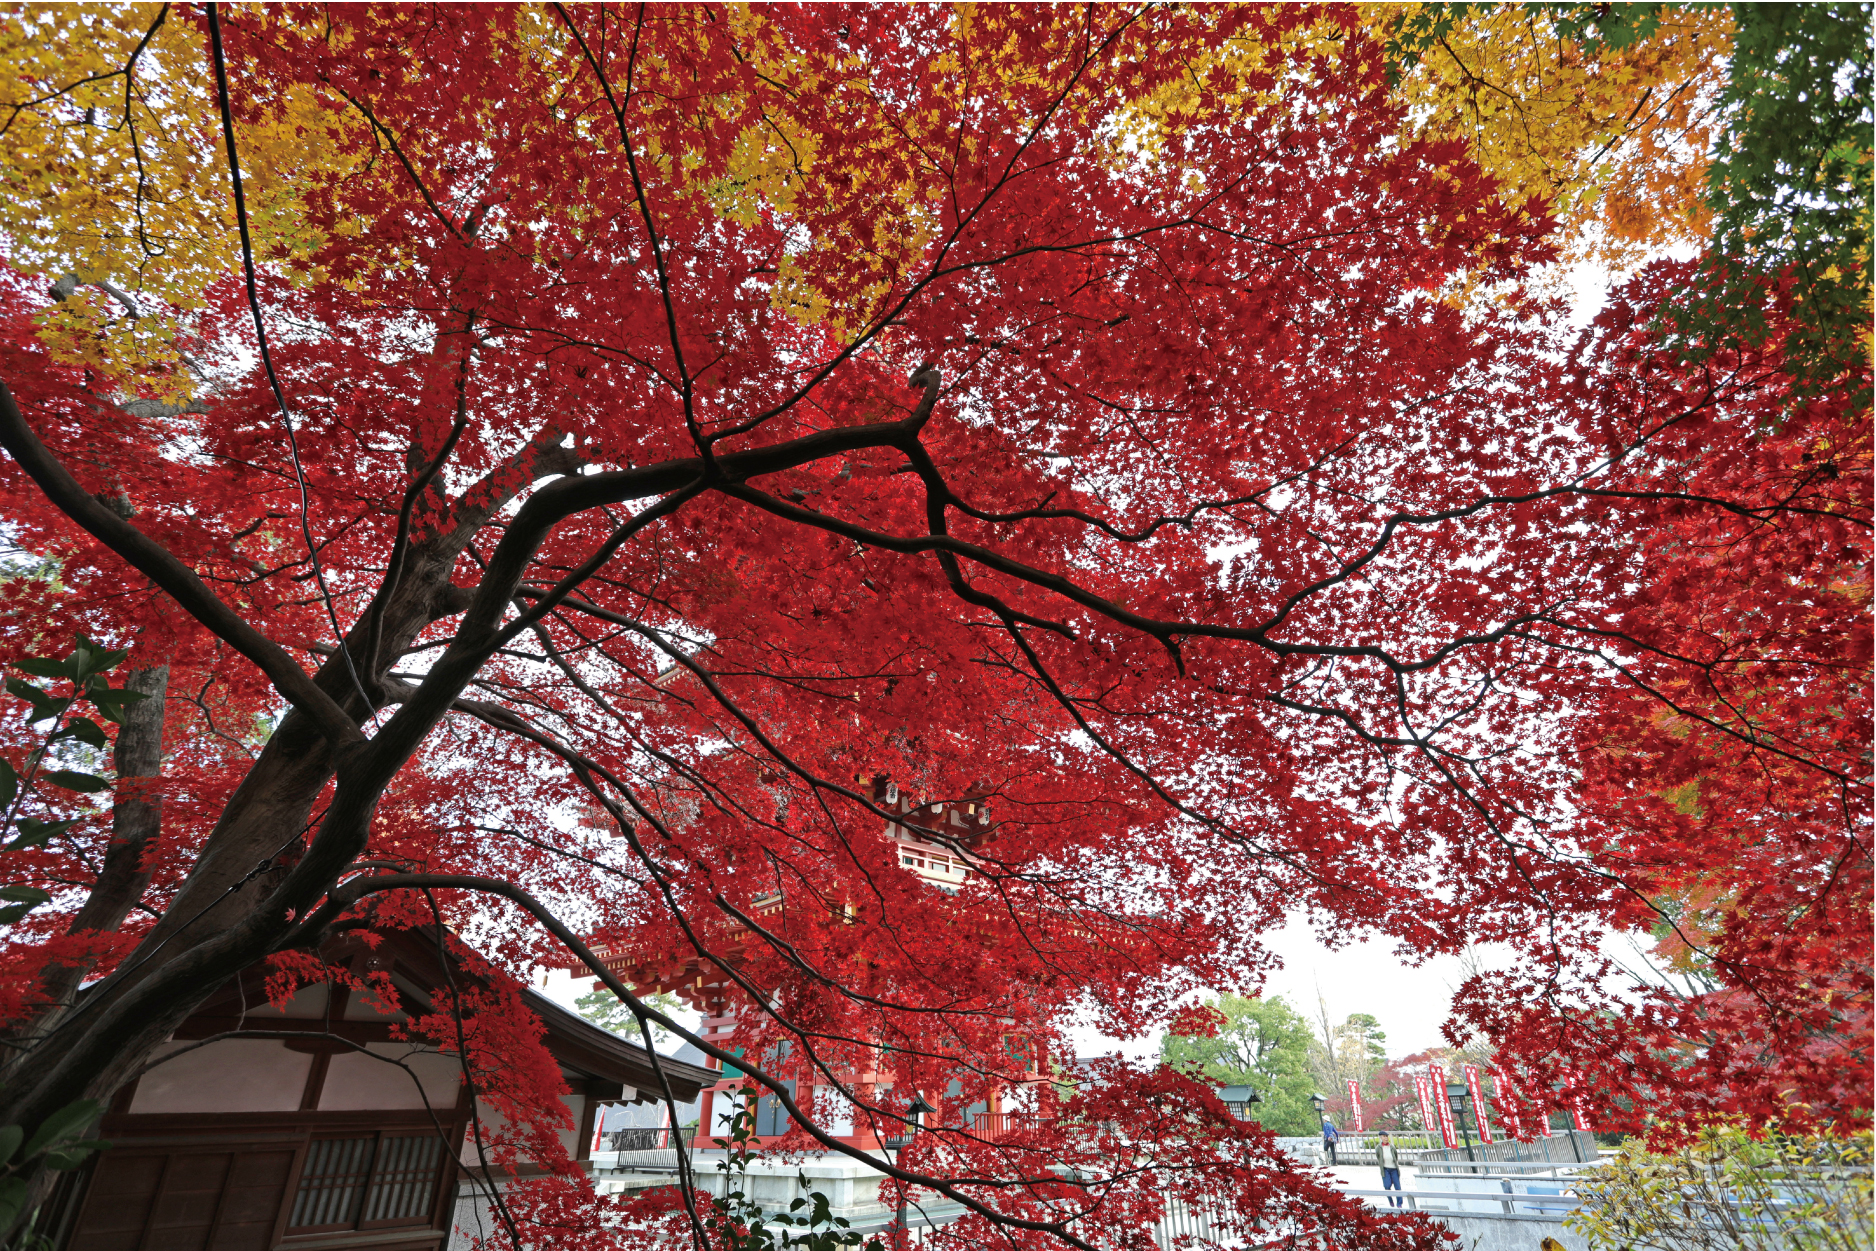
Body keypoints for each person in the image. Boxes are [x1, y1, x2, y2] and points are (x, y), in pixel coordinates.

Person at [1377, 1130, 1404, 1207]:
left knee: (1397, 1186)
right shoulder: (1378, 1148)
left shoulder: (1392, 1147)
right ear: (1381, 1137)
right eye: (1384, 1136)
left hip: (1394, 1168)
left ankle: (1399, 1203)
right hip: (1385, 1169)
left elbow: (1395, 1156)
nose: (1386, 1138)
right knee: (1387, 1186)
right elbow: (1378, 1157)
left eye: (1386, 1136)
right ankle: (1390, 1201)